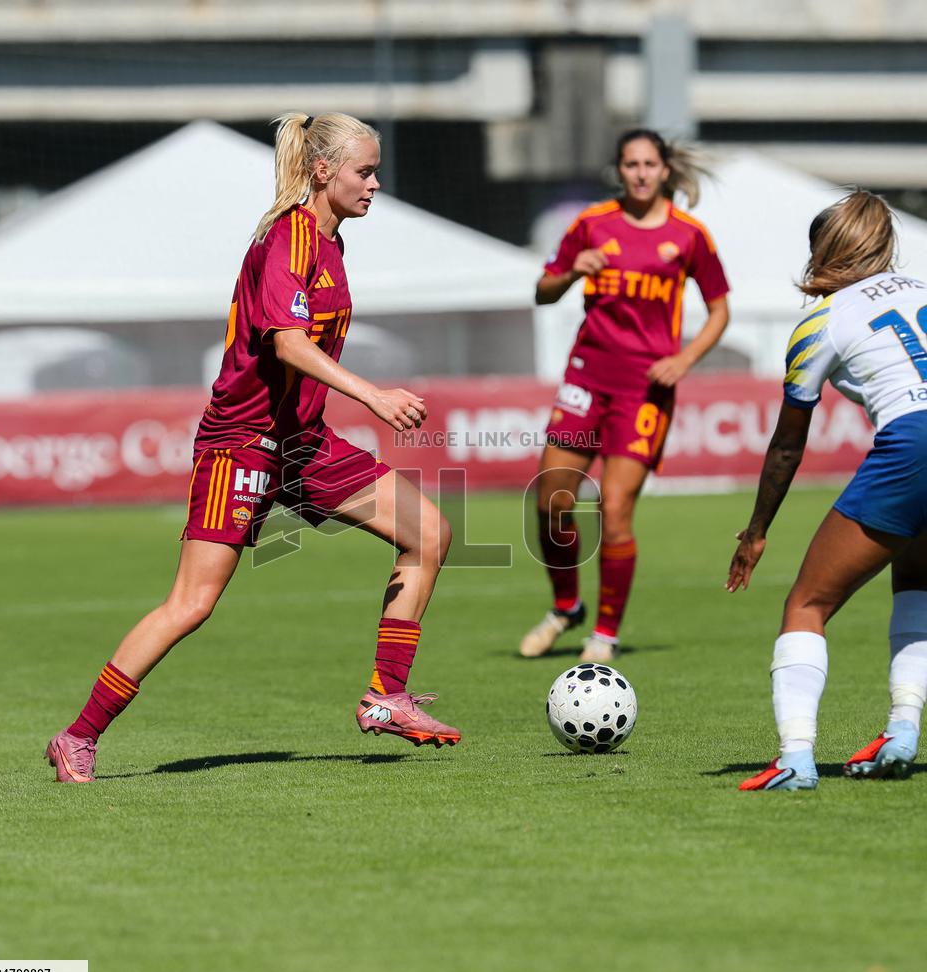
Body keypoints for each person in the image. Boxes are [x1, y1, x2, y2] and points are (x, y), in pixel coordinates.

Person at [45, 112, 460, 783]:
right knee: (192, 604)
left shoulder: (333, 245)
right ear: (323, 171)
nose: (375, 184)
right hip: (241, 445)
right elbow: (287, 343)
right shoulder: (289, 238)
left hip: (303, 444)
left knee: (431, 533)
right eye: (365, 171)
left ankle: (387, 694)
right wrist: (375, 396)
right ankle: (78, 736)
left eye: (375, 170)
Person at [729, 190, 926, 791]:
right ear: (884, 247)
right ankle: (902, 732)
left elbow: (789, 444)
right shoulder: (921, 288)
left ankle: (795, 758)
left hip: (914, 443)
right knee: (916, 580)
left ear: (822, 251)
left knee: (807, 605)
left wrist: (756, 532)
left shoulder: (821, 321)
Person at [520, 128, 730, 662]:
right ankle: (567, 606)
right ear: (620, 170)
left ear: (664, 171)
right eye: (631, 164)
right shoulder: (590, 225)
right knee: (552, 501)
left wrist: (684, 359)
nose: (640, 172)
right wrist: (571, 272)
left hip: (644, 388)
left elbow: (720, 308)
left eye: (649, 164)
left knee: (613, 509)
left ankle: (605, 634)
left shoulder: (689, 236)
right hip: (587, 377)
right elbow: (542, 292)